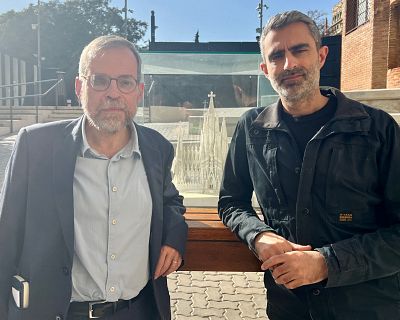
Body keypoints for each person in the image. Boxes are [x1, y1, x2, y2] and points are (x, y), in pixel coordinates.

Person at [219, 10, 400, 320]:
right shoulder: (252, 128)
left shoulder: (376, 128)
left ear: (322, 55)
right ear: (265, 69)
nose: (289, 64)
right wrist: (258, 235)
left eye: (299, 49)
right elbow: (232, 203)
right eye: (277, 55)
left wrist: (327, 263)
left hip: (368, 307)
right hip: (289, 307)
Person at [0, 35, 188, 320]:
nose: (113, 93)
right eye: (100, 80)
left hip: (137, 310)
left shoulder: (157, 148)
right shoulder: (35, 146)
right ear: (79, 87)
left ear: (138, 91)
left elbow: (170, 199)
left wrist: (174, 237)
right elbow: (7, 235)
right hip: (58, 312)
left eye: (125, 82)